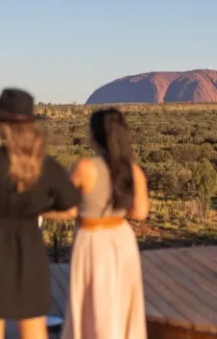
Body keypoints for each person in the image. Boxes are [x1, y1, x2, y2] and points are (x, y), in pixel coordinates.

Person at [0, 88, 81, 339]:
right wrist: (39, 211)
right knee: (34, 325)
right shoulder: (47, 164)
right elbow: (71, 208)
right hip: (30, 250)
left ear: (1, 124)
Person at [60, 108, 149, 339]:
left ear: (94, 136)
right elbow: (140, 212)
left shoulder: (84, 168)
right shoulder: (133, 170)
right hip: (122, 238)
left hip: (92, 239)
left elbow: (67, 208)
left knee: (94, 303)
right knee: (120, 302)